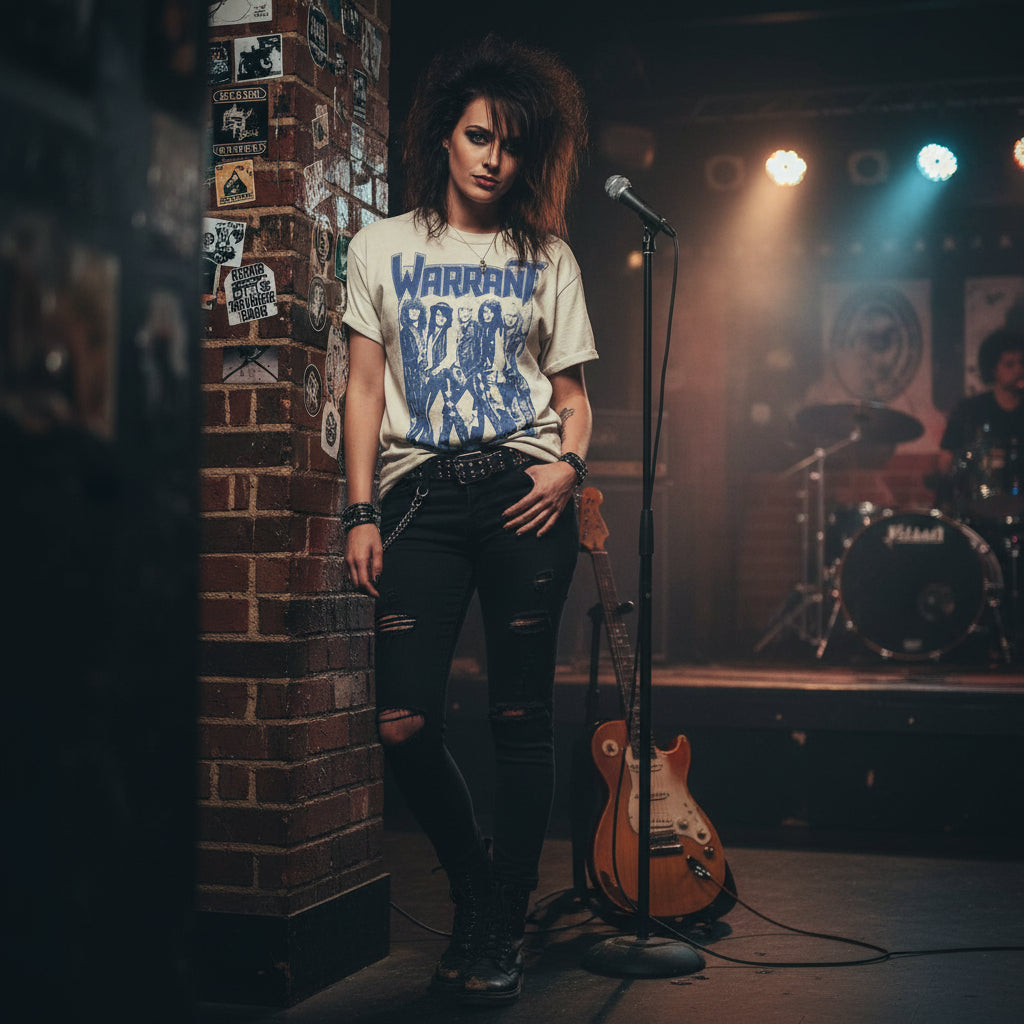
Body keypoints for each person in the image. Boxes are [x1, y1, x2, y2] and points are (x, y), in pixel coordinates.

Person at [341, 35, 596, 1005]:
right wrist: (362, 508)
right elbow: (365, 388)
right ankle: (480, 888)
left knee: (520, 718)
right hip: (421, 501)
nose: (494, 157)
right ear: (441, 139)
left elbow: (572, 397)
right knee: (402, 719)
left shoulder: (548, 257)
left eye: (512, 144)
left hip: (526, 496)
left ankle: (499, 922)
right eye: (479, 136)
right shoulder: (381, 247)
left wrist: (568, 468)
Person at [935, 328, 1024, 520]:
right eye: (1010, 365)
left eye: (1021, 363)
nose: (1019, 370)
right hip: (978, 506)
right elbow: (945, 460)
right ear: (993, 370)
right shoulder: (970, 411)